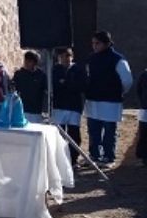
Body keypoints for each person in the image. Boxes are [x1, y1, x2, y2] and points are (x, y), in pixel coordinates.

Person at [85, 31, 133, 167]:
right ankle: (94, 155)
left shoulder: (118, 59)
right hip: (93, 100)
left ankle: (108, 156)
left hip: (110, 102)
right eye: (93, 43)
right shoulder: (91, 58)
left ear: (106, 43)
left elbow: (127, 80)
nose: (94, 46)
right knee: (93, 131)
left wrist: (117, 92)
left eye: (97, 43)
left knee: (109, 131)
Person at [51, 48, 87, 166]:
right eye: (62, 57)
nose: (64, 59)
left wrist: (65, 83)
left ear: (71, 57)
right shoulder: (55, 70)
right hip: (59, 106)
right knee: (59, 134)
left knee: (74, 134)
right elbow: (54, 85)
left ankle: (73, 159)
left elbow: (81, 86)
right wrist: (67, 84)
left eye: (67, 56)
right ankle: (59, 158)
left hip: (74, 106)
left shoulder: (78, 70)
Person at [12, 51, 48, 124]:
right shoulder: (19, 74)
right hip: (21, 110)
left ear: (35, 63)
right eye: (25, 60)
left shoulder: (41, 75)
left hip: (36, 112)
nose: (26, 63)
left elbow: (46, 92)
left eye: (29, 61)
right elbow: (13, 90)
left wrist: (45, 110)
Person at [136, 68, 147, 166]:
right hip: (145, 109)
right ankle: (143, 157)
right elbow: (139, 90)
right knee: (144, 134)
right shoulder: (144, 75)